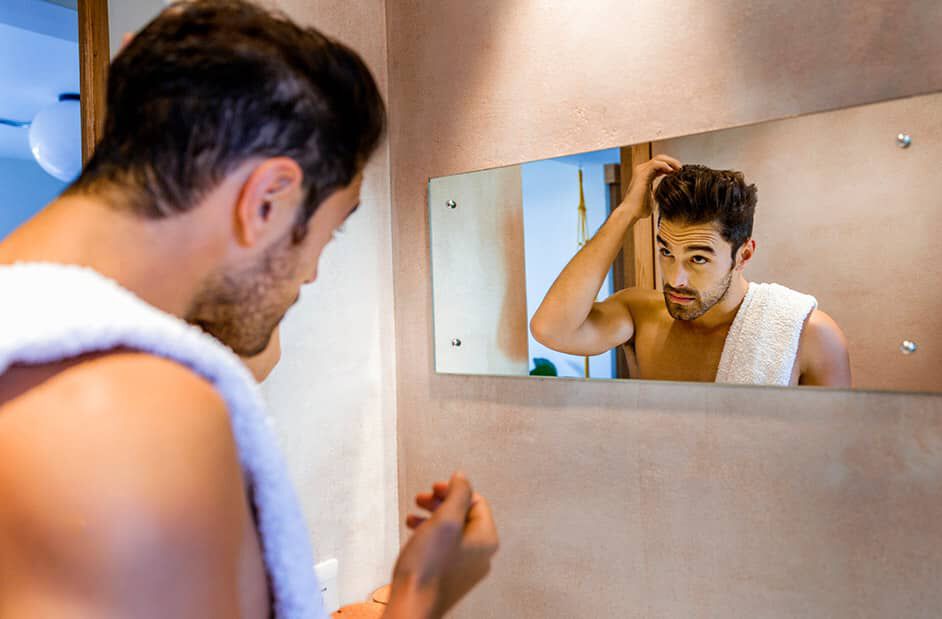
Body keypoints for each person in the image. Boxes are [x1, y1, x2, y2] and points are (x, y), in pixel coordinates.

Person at [0, 2, 496, 618]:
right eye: (328, 233)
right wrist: (423, 596)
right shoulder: (133, 414)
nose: (310, 274)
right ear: (267, 199)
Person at [531, 156, 851, 387]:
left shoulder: (809, 335)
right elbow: (551, 329)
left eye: (698, 259)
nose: (674, 279)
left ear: (744, 254)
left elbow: (831, 455)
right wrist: (627, 212)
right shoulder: (640, 314)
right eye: (666, 252)